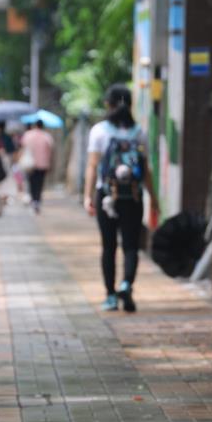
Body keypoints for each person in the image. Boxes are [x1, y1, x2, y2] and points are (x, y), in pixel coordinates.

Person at [84, 85, 158, 313]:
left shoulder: (99, 131)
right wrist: (154, 199)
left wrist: (87, 196)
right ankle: (126, 285)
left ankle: (110, 297)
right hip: (133, 196)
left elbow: (93, 166)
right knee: (131, 246)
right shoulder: (139, 132)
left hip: (106, 194)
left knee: (109, 247)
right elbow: (146, 170)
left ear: (108, 104)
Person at [19, 119, 56, 213]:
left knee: (31, 182)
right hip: (43, 164)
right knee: (40, 183)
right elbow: (51, 151)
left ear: (35, 125)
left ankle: (33, 200)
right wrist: (51, 163)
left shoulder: (28, 135)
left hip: (30, 164)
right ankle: (37, 200)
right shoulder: (47, 136)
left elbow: (23, 147)